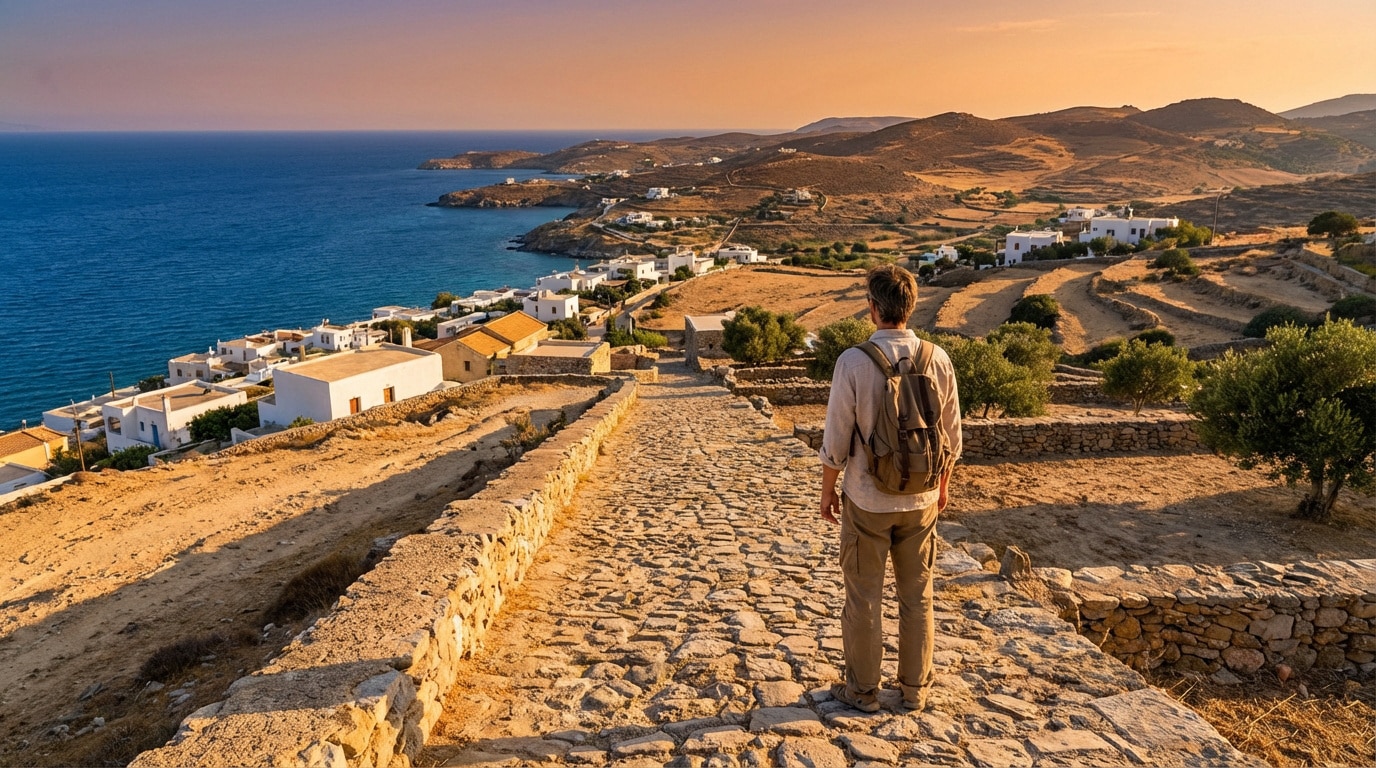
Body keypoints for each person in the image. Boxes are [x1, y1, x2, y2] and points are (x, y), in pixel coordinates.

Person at [818, 264, 962, 713]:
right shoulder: (937, 358)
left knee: (863, 597)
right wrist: (940, 488)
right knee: (918, 595)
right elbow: (952, 440)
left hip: (867, 498)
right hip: (921, 500)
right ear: (911, 306)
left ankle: (862, 692)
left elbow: (836, 440)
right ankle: (916, 690)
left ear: (873, 307)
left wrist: (828, 491)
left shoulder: (854, 361)